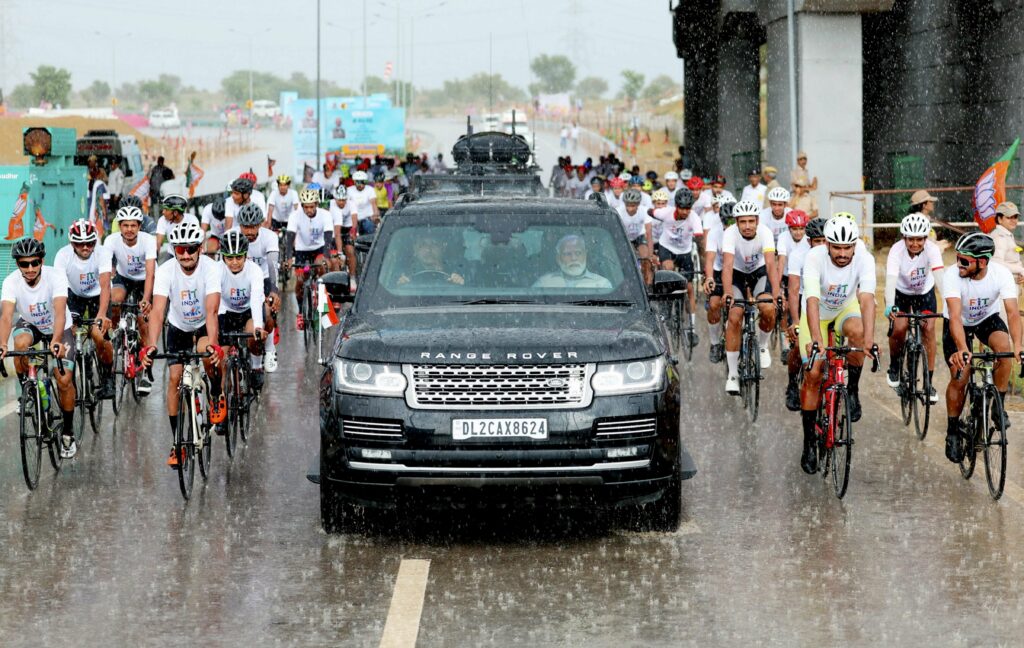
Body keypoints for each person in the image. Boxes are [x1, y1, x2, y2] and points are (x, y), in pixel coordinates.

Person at [139, 220, 225, 467]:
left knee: (208, 356)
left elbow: (212, 310)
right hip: (177, 328)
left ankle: (217, 393)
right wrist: (151, 345)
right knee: (175, 379)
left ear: (199, 248)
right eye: (179, 250)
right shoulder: (166, 270)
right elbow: (157, 311)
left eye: (190, 248)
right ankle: (177, 442)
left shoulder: (211, 268)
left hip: (202, 326)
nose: (185, 255)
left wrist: (215, 345)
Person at [798, 216, 877, 473]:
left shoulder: (865, 258)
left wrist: (869, 341)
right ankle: (809, 440)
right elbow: (811, 299)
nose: (842, 254)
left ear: (855, 245)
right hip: (817, 314)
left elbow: (866, 299)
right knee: (813, 372)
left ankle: (851, 389)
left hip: (845, 308)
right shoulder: (814, 257)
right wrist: (817, 341)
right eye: (837, 248)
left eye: (847, 248)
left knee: (858, 332)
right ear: (827, 245)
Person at [942, 233, 1022, 463]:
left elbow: (1013, 313)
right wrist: (962, 348)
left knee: (1004, 350)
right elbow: (955, 317)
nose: (959, 264)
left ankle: (998, 406)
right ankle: (953, 431)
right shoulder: (952, 276)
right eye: (958, 258)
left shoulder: (1001, 275)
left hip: (987, 319)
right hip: (958, 324)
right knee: (962, 374)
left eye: (964, 261)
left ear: (983, 262)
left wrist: (1019, 346)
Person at [0, 238, 78, 458]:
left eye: (35, 262)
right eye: (25, 264)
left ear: (42, 261)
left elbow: (60, 311)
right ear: (18, 264)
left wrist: (55, 340)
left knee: (63, 380)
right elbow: (6, 316)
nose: (31, 268)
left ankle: (68, 433)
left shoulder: (55, 276)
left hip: (58, 326)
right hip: (31, 324)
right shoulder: (10, 281)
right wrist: (2, 344)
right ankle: (28, 391)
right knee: (21, 345)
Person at [721, 200, 780, 394]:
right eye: (743, 221)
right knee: (734, 316)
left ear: (757, 220)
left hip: (759, 272)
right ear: (736, 222)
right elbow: (728, 265)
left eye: (751, 221)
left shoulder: (765, 233)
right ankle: (732, 375)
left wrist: (777, 293)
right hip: (737, 274)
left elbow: (771, 264)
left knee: (768, 308)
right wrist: (728, 292)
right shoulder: (729, 234)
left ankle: (762, 346)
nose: (747, 226)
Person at [884, 213, 944, 401]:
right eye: (911, 239)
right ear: (904, 237)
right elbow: (890, 282)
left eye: (919, 239)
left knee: (928, 329)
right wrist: (889, 306)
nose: (915, 243)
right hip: (901, 293)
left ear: (926, 238)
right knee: (900, 327)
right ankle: (894, 365)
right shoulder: (896, 251)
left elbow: (940, 278)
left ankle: (928, 382)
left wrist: (949, 304)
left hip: (924, 293)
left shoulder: (932, 250)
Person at [55, 219, 115, 399]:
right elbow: (59, 290)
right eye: (80, 243)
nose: (85, 247)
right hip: (74, 295)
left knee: (99, 334)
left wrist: (102, 315)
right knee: (71, 334)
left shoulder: (103, 253)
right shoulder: (62, 256)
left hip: (98, 295)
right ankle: (79, 364)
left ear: (95, 241)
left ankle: (107, 378)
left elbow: (105, 286)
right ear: (72, 243)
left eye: (90, 242)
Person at [104, 205, 157, 393]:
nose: (129, 230)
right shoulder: (111, 240)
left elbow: (151, 273)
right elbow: (106, 270)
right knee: (116, 300)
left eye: (133, 225)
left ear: (139, 226)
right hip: (124, 277)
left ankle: (145, 371)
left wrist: (147, 299)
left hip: (144, 279)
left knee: (143, 320)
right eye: (125, 225)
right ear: (120, 226)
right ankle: (117, 333)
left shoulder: (148, 241)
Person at [783, 217, 826, 411]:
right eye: (817, 241)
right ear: (809, 241)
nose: (822, 245)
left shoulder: (834, 252)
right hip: (802, 298)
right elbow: (793, 290)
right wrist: (795, 322)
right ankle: (792, 383)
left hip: (826, 300)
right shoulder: (799, 255)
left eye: (825, 240)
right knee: (798, 344)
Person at [650, 187, 702, 344]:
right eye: (682, 208)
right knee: (668, 270)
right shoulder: (665, 213)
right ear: (676, 206)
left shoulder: (694, 218)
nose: (685, 212)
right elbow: (650, 212)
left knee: (690, 288)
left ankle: (692, 329)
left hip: (684, 252)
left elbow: (700, 238)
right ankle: (666, 308)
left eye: (688, 208)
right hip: (667, 248)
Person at [218, 231, 268, 391]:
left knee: (254, 336)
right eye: (229, 258)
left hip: (248, 311)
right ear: (222, 256)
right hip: (226, 313)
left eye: (239, 257)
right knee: (221, 359)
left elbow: (255, 300)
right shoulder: (216, 270)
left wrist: (258, 327)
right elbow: (214, 301)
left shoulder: (255, 271)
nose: (234, 262)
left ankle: (256, 366)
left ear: (246, 255)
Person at [235, 203, 281, 373]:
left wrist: (274, 291)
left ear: (260, 224)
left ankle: (269, 349)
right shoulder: (233, 236)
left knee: (268, 311)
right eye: (245, 227)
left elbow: (272, 264)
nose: (249, 232)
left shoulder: (269, 237)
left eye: (253, 226)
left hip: (265, 278)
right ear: (240, 226)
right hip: (242, 279)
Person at [286, 188, 336, 330]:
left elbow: (327, 238)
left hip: (319, 250)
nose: (309, 210)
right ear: (302, 206)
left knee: (321, 266)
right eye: (306, 207)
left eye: (311, 206)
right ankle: (301, 312)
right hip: (302, 252)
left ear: (316, 204)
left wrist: (326, 257)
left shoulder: (325, 215)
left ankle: (322, 300)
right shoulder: (295, 216)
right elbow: (290, 238)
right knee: (301, 280)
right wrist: (289, 258)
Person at [703, 201, 736, 363]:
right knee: (714, 304)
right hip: (719, 270)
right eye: (726, 221)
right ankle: (715, 343)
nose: (729, 225)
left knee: (741, 306)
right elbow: (709, 259)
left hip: (738, 270)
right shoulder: (715, 233)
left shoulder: (743, 231)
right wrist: (709, 277)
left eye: (732, 221)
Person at [533, 235, 611, 289]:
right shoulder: (543, 284)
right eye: (567, 254)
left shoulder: (602, 285)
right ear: (558, 259)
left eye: (578, 253)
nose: (573, 258)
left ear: (585, 255)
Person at [617, 189, 655, 285]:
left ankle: (647, 283)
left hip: (639, 236)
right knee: (623, 259)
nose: (630, 209)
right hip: (624, 237)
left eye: (633, 205)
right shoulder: (618, 211)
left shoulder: (644, 211)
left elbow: (649, 235)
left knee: (645, 258)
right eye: (628, 205)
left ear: (638, 204)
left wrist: (650, 256)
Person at [397, 234, 465, 286]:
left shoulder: (459, 271)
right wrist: (401, 286)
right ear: (415, 249)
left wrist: (460, 284)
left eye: (434, 244)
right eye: (423, 244)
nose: (428, 249)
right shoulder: (404, 274)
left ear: (443, 248)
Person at [155, 194, 200, 258]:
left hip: (189, 253)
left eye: (166, 209)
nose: (163, 212)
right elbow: (158, 242)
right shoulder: (162, 220)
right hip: (172, 254)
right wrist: (154, 260)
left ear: (175, 213)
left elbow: (197, 242)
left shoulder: (192, 220)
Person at [990, 201, 1024, 284]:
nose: (1013, 220)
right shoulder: (999, 237)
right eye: (1009, 217)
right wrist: (1021, 270)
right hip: (1004, 285)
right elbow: (996, 264)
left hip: (1009, 283)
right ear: (999, 219)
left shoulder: (1006, 235)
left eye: (1015, 217)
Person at [330, 186, 358, 278]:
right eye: (339, 200)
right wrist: (340, 252)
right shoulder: (331, 204)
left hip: (347, 228)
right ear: (335, 198)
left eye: (343, 200)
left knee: (350, 251)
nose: (341, 202)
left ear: (346, 199)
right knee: (335, 255)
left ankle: (353, 276)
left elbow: (354, 218)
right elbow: (337, 233)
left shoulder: (351, 203)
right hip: (335, 229)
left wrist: (353, 230)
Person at [347, 170, 380, 235]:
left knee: (369, 229)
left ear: (365, 182)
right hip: (353, 218)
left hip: (367, 217)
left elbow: (374, 204)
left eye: (362, 182)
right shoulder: (349, 190)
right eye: (357, 182)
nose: (360, 185)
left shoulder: (370, 189)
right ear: (354, 182)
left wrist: (375, 215)